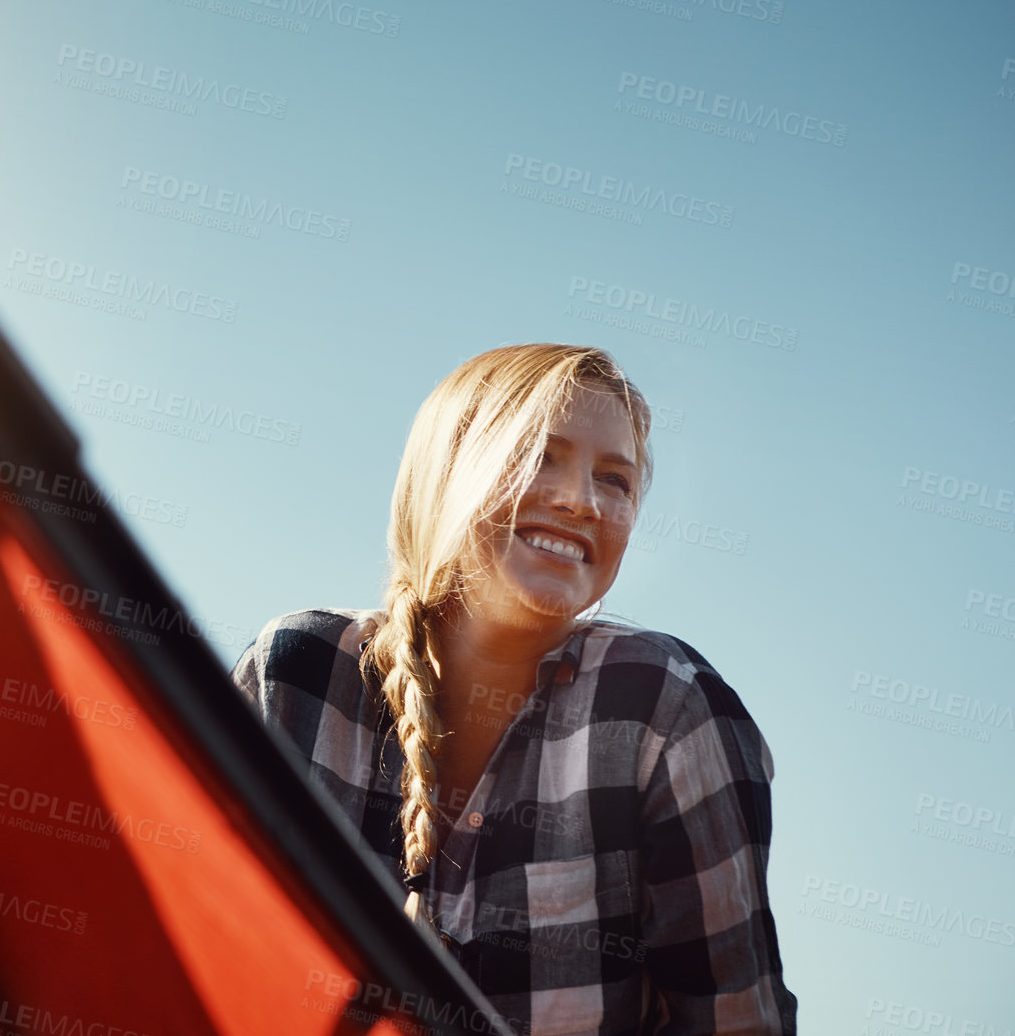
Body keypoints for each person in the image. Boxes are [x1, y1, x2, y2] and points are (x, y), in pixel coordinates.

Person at [232, 343, 795, 1035]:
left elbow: (737, 1022)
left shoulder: (663, 709)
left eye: (614, 480)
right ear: (446, 474)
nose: (579, 499)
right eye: (541, 453)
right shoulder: (297, 676)